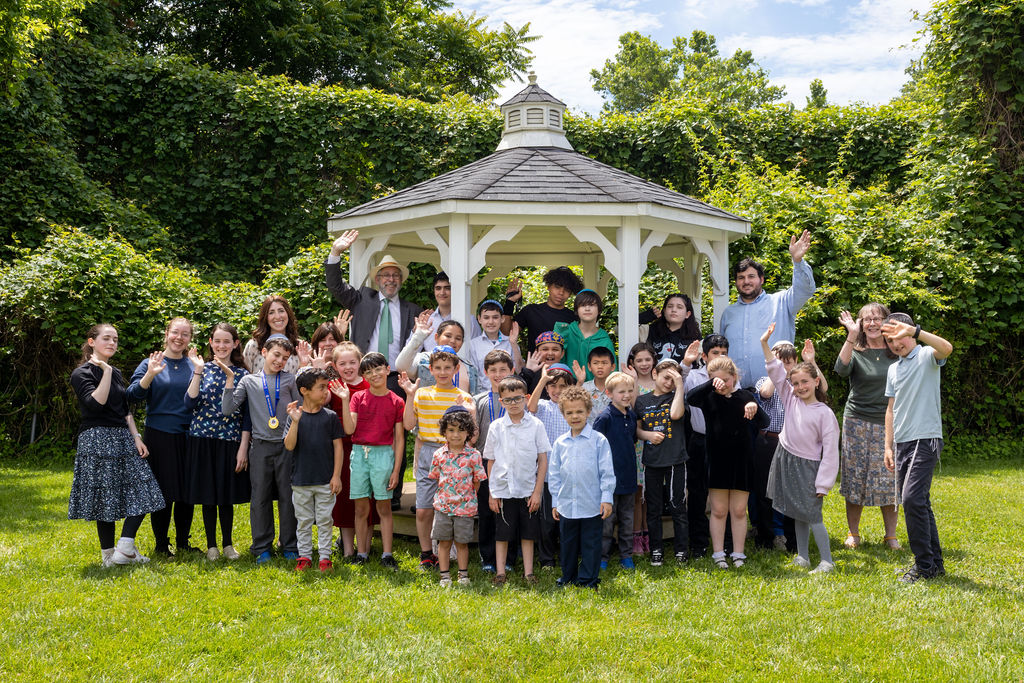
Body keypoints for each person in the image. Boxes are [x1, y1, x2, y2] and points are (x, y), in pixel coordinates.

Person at [69, 324, 164, 566]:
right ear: (92, 342)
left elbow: (125, 410)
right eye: (107, 338)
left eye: (115, 339)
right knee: (105, 498)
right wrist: (107, 372)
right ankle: (109, 557)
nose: (112, 343)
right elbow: (96, 403)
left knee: (146, 490)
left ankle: (125, 546)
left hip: (122, 437)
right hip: (96, 439)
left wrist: (136, 437)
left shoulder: (117, 372)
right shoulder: (81, 373)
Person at [761, 323, 840, 574]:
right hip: (786, 458)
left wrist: (824, 483)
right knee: (797, 512)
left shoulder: (825, 414)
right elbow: (774, 371)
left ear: (816, 381)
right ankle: (803, 556)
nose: (800, 387)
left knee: (812, 514)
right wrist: (765, 344)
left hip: (809, 467)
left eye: (805, 382)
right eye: (795, 383)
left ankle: (827, 560)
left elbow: (830, 453)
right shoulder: (789, 397)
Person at [882, 313, 953, 583]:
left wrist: (916, 330)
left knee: (911, 500)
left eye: (899, 337)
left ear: (910, 333)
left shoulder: (926, 356)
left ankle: (923, 567)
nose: (895, 344)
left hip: (926, 439)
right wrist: (888, 446)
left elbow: (946, 348)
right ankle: (935, 565)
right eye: (889, 341)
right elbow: (890, 410)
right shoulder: (893, 369)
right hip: (902, 442)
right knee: (920, 502)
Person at [221, 337, 301, 563]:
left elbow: (302, 407)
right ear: (264, 352)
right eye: (276, 355)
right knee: (260, 498)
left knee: (288, 497)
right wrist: (229, 380)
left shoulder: (289, 380)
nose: (280, 361)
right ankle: (261, 546)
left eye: (285, 358)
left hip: (287, 446)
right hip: (260, 447)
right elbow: (228, 409)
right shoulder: (249, 381)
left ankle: (289, 545)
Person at [687, 355, 768, 569]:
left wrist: (754, 406)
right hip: (717, 460)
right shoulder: (708, 397)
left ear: (734, 377)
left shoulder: (745, 397)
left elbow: (765, 421)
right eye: (716, 380)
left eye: (726, 379)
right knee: (719, 510)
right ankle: (718, 553)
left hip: (742, 461)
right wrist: (710, 384)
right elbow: (691, 398)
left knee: (739, 510)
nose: (722, 384)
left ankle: (738, 553)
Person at [127, 317, 199, 557]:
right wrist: (149, 374)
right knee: (164, 492)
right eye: (175, 333)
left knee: (187, 492)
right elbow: (133, 395)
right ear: (166, 333)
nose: (179, 338)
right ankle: (161, 544)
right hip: (159, 435)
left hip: (189, 435)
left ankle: (183, 542)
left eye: (185, 334)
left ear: (190, 338)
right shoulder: (151, 362)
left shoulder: (194, 364)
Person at [399, 346, 475, 570]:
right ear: (430, 369)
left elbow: (471, 433)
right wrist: (410, 395)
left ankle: (449, 548)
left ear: (455, 369)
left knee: (452, 506)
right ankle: (426, 553)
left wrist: (469, 412)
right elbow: (409, 425)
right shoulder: (422, 393)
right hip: (428, 452)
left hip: (455, 453)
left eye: (447, 368)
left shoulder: (463, 397)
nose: (442, 372)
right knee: (424, 508)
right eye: (438, 368)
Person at [324, 230, 423, 395]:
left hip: (398, 379)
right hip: (364, 376)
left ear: (401, 280)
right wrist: (335, 253)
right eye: (386, 275)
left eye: (395, 275)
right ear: (377, 280)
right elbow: (336, 286)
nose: (391, 279)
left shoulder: (413, 310)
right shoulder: (361, 299)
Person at [184, 323, 251, 561]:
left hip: (229, 439)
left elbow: (246, 417)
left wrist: (243, 447)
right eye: (217, 341)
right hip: (202, 438)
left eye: (227, 341)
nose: (222, 346)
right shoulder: (201, 369)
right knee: (208, 494)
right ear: (211, 343)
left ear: (235, 344)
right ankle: (211, 546)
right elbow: (189, 404)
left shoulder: (244, 375)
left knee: (225, 495)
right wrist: (198, 371)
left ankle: (228, 545)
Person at [835, 305, 900, 550]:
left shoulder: (896, 349)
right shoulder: (857, 349)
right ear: (860, 324)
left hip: (889, 422)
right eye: (867, 319)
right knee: (855, 477)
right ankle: (853, 533)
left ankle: (891, 535)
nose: (872, 323)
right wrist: (851, 336)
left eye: (877, 318)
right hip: (857, 421)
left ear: (886, 322)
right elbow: (841, 370)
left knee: (889, 477)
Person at [332, 352, 404, 568]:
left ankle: (387, 554)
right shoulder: (357, 398)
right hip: (359, 454)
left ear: (387, 369)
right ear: (364, 375)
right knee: (361, 508)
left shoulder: (396, 401)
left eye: (378, 369)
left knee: (384, 507)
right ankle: (361, 553)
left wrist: (395, 470)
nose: (374, 374)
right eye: (369, 371)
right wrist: (345, 400)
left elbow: (399, 439)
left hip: (383, 455)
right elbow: (349, 428)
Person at [718, 230, 815, 389]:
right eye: (741, 278)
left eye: (751, 276)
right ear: (736, 282)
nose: (746, 281)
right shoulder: (729, 313)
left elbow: (806, 289)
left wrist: (797, 261)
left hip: (777, 391)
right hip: (737, 393)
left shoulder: (782, 301)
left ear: (761, 279)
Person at [483, 376, 550, 586]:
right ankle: (500, 572)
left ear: (526, 398)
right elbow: (491, 461)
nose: (513, 403)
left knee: (528, 534)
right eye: (508, 399)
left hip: (528, 489)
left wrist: (538, 492)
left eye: (517, 399)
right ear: (501, 401)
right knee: (502, 533)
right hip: (503, 489)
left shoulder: (536, 425)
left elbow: (542, 459)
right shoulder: (496, 427)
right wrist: (492, 493)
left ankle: (529, 572)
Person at [549, 385, 615, 589]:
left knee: (591, 544)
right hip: (567, 504)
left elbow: (607, 472)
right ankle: (568, 577)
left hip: (591, 504)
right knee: (568, 545)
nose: (575, 416)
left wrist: (606, 498)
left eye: (579, 411)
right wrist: (555, 502)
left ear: (588, 412)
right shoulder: (560, 443)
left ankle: (588, 579)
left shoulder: (598, 441)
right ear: (563, 414)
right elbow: (554, 475)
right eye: (569, 412)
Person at [283, 368, 344, 572]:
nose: (326, 391)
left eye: (326, 387)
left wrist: (336, 476)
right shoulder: (294, 416)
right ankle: (305, 556)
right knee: (304, 521)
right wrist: (295, 421)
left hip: (326, 480)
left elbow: (338, 448)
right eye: (321, 388)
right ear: (304, 390)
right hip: (301, 480)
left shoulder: (331, 417)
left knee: (325, 520)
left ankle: (325, 557)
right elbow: (289, 445)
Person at [635, 358, 691, 566]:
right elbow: (637, 429)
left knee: (677, 505)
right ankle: (656, 549)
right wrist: (647, 435)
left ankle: (681, 550)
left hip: (676, 460)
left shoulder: (677, 398)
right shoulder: (641, 401)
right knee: (654, 508)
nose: (669, 382)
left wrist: (679, 385)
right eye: (667, 377)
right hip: (652, 462)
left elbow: (676, 414)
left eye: (674, 379)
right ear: (655, 374)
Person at [682, 335, 730, 557]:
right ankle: (698, 543)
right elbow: (679, 391)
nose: (720, 357)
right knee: (698, 493)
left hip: (724, 442)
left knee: (725, 492)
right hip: (699, 440)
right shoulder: (694, 376)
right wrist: (685, 364)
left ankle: (728, 542)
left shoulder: (732, 377)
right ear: (704, 356)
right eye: (715, 353)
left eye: (724, 352)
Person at [428, 407, 487, 587]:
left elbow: (477, 481)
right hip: (443, 507)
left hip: (465, 508)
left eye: (461, 430)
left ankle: (463, 576)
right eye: (451, 430)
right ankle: (444, 576)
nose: (456, 434)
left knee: (462, 543)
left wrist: (466, 497)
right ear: (444, 432)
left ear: (468, 432)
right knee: (443, 543)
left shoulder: (474, 455)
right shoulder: (439, 455)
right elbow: (437, 477)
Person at [526, 362, 575, 570]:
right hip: (546, 475)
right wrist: (543, 379)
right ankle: (547, 559)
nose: (557, 391)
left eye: (562, 386)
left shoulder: (572, 410)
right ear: (547, 388)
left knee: (566, 519)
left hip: (568, 473)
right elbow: (530, 408)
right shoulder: (544, 407)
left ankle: (567, 556)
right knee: (546, 521)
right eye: (553, 386)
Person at [472, 350, 517, 573]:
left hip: (513, 463)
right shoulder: (478, 400)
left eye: (503, 370)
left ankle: (509, 557)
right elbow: (473, 435)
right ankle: (488, 557)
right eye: (493, 370)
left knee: (509, 511)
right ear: (486, 372)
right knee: (487, 511)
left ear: (512, 371)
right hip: (485, 463)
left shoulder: (517, 400)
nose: (498, 374)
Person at [326, 341, 370, 558]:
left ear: (360, 362)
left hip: (366, 448)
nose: (348, 367)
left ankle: (366, 546)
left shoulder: (369, 385)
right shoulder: (332, 386)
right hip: (341, 448)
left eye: (352, 362)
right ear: (335, 365)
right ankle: (347, 549)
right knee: (344, 499)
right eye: (342, 363)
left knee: (365, 498)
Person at [593, 372, 639, 570]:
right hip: (608, 480)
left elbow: (633, 441)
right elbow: (595, 446)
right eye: (622, 392)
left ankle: (626, 555)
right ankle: (602, 556)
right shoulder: (604, 418)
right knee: (607, 521)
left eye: (630, 391)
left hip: (628, 476)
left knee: (627, 518)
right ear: (610, 394)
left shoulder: (632, 415)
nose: (627, 395)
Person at [500, 267, 584, 353]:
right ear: (548, 286)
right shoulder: (531, 311)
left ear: (570, 293)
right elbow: (507, 332)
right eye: (557, 287)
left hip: (562, 366)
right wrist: (510, 303)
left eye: (566, 290)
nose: (561, 293)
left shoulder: (574, 318)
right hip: (533, 365)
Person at [625, 342, 656, 554]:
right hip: (637, 444)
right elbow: (633, 409)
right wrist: (634, 382)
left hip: (657, 443)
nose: (644, 364)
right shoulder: (630, 383)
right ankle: (636, 537)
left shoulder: (659, 382)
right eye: (639, 360)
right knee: (637, 494)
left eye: (647, 359)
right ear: (632, 363)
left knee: (651, 494)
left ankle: (649, 534)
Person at [397, 315, 479, 395]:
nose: (453, 341)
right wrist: (418, 337)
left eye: (458, 338)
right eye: (448, 336)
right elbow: (401, 366)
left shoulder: (469, 367)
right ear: (436, 337)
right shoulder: (424, 359)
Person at [555, 289, 616, 381]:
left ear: (599, 310)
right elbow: (556, 360)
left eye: (592, 305)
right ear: (576, 310)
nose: (587, 308)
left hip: (596, 392)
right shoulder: (566, 332)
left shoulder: (604, 340)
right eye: (582, 305)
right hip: (566, 389)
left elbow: (612, 374)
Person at [243, 295, 309, 375]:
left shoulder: (302, 347)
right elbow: (244, 377)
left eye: (281, 311)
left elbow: (308, 384)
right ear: (265, 317)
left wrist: (303, 366)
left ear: (288, 313)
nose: (277, 316)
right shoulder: (254, 345)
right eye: (271, 312)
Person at [419, 271, 481, 352]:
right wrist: (415, 332)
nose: (442, 292)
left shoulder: (469, 320)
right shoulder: (426, 320)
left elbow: (477, 352)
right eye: (438, 288)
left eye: (447, 288)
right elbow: (411, 353)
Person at [464, 299, 523, 379]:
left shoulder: (510, 343)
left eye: (495, 317)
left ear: (502, 319)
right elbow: (472, 375)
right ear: (479, 319)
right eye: (486, 318)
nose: (491, 322)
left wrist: (514, 344)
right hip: (483, 391)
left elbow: (520, 370)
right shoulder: (473, 344)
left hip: (506, 390)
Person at [642, 293, 702, 364]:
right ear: (664, 311)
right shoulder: (649, 331)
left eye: (679, 307)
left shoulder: (694, 335)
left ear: (687, 314)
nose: (673, 310)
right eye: (670, 306)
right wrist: (642, 318)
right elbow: (628, 332)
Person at [521, 331, 568, 395]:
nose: (550, 353)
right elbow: (517, 391)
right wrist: (528, 372)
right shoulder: (530, 375)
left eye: (555, 349)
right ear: (537, 352)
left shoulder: (568, 376)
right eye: (545, 349)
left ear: (562, 353)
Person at [579, 346, 615, 424]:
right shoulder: (584, 388)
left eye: (604, 363)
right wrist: (579, 382)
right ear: (589, 366)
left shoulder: (617, 388)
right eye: (595, 363)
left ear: (612, 367)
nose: (600, 367)